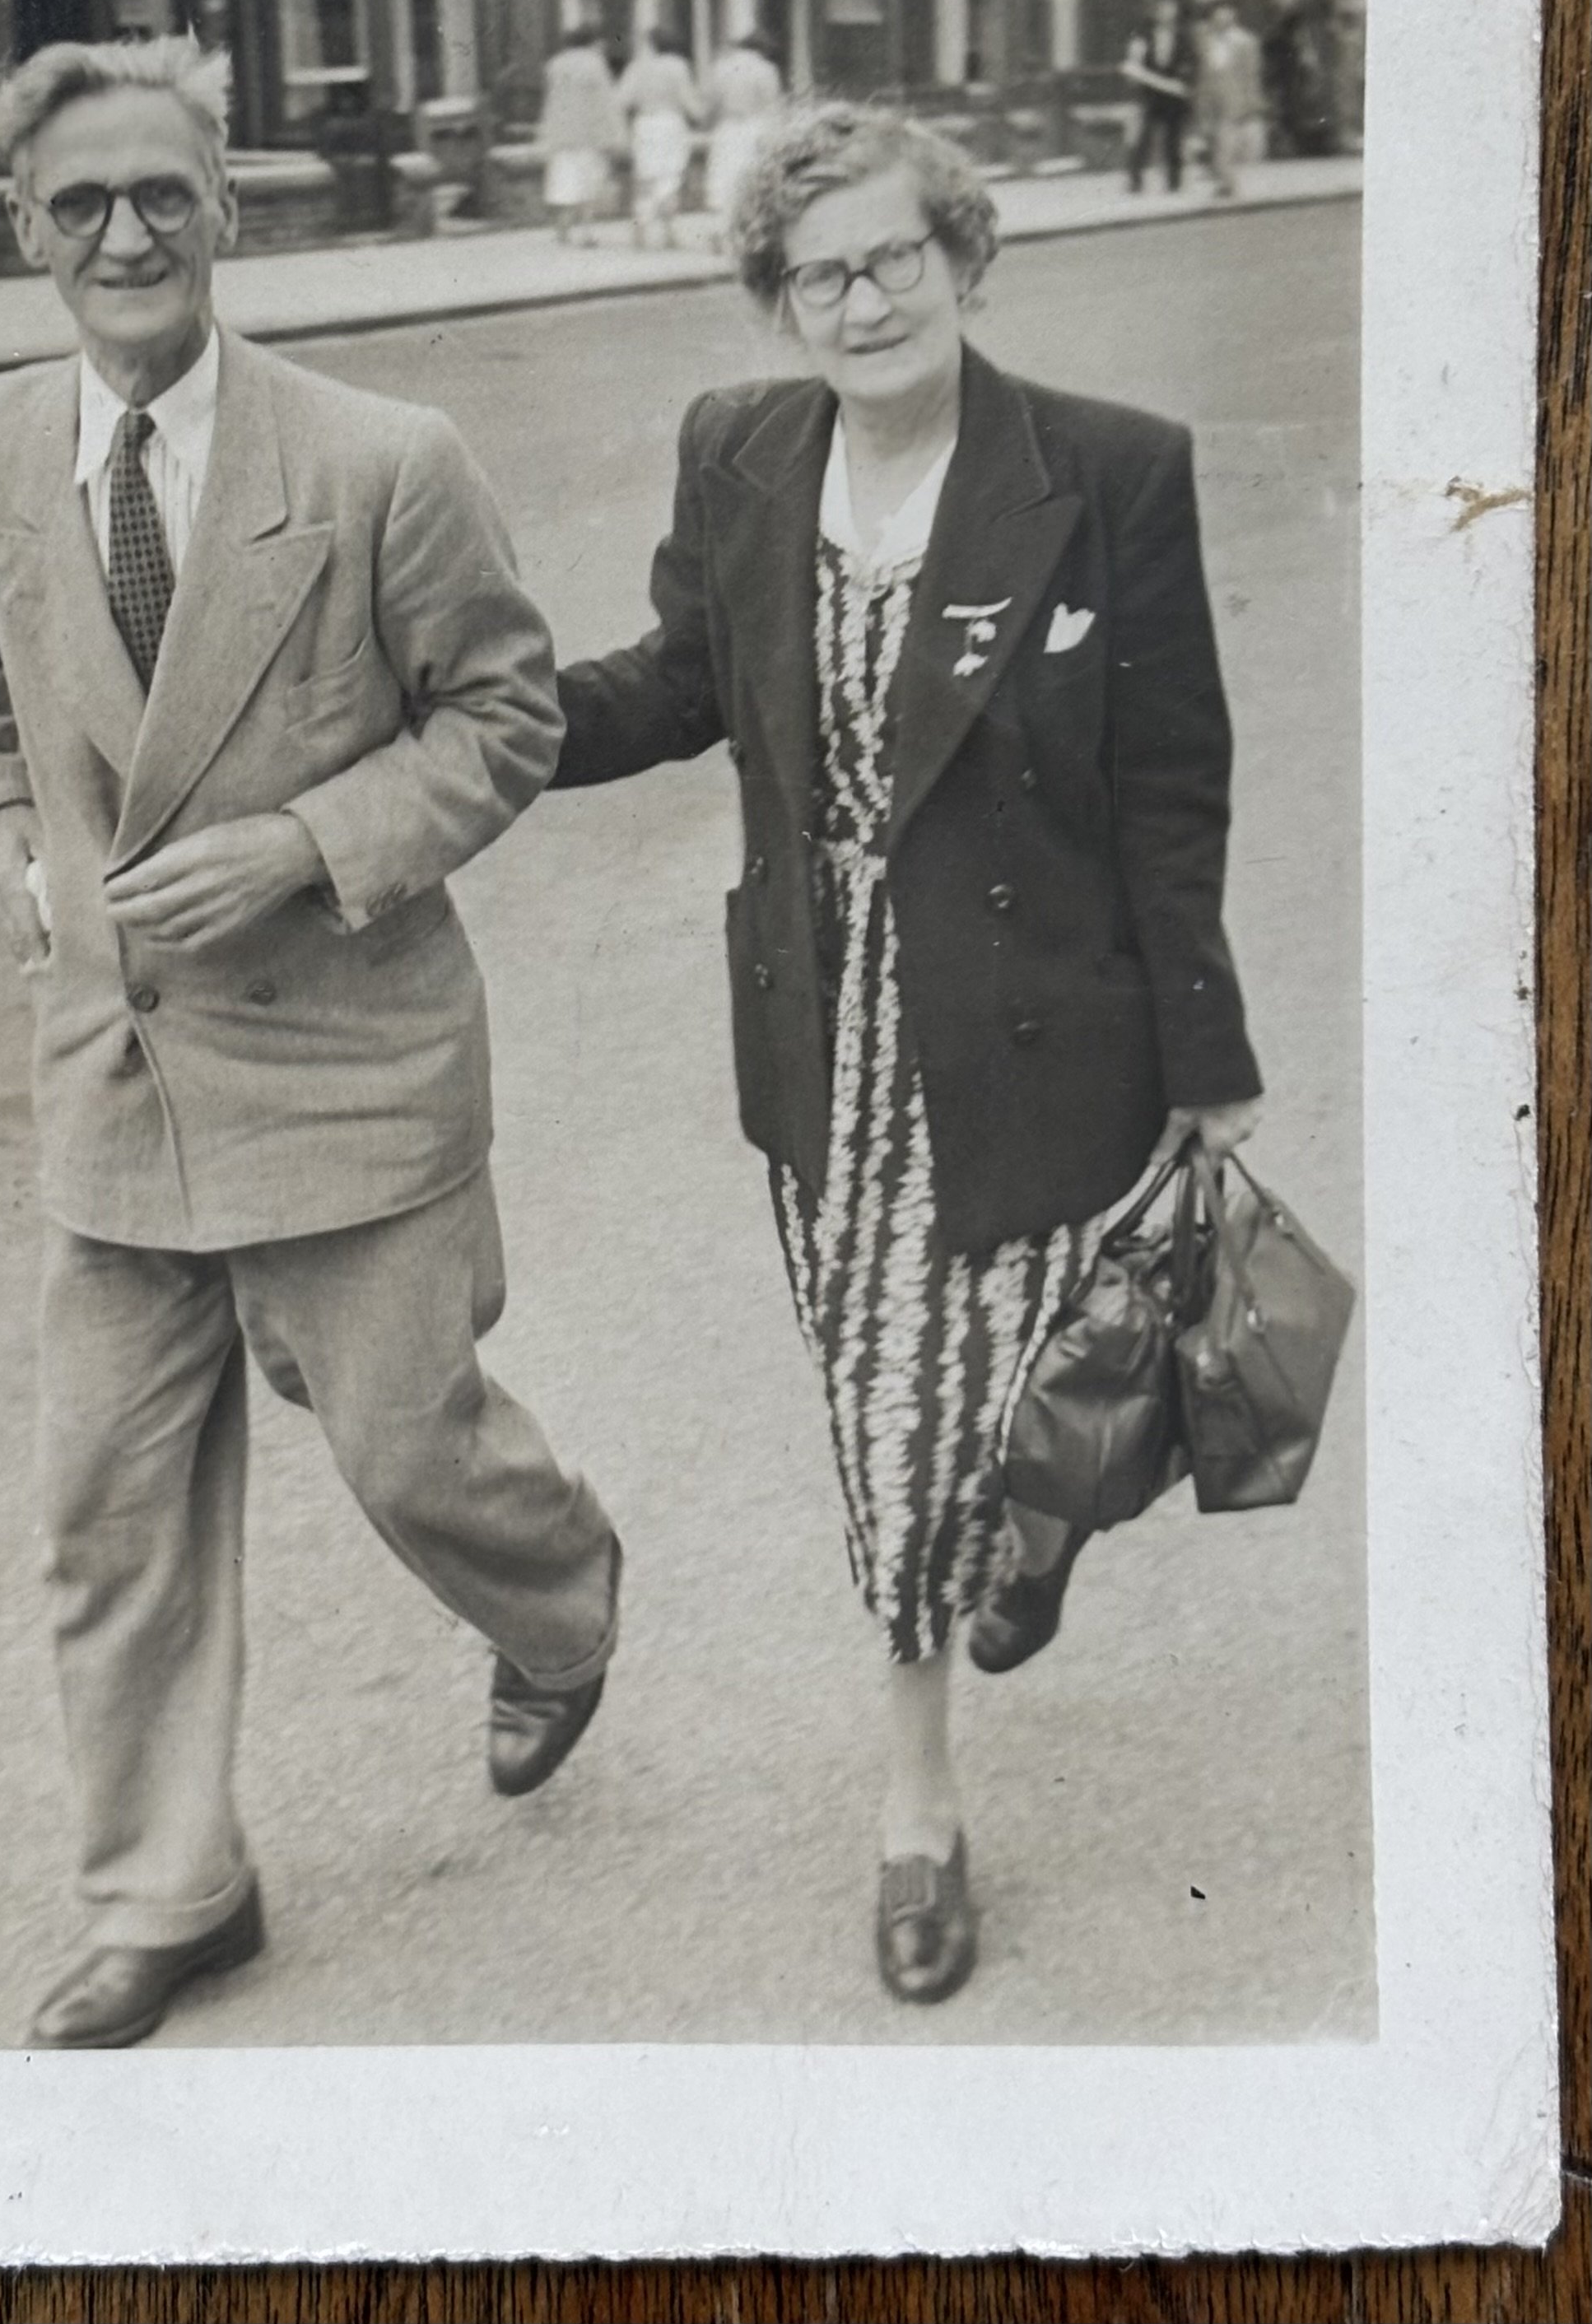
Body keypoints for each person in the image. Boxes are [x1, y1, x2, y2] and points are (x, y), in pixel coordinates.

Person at [0, 35, 621, 2049]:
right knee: (104, 1510)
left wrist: (308, 843)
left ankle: (560, 1602)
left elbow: (508, 716)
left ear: (226, 205)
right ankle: (173, 1892)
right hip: (114, 1074)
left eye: (160, 194)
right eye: (77, 206)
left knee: (404, 1447)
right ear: (23, 235)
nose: (123, 234)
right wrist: (2, 829)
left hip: (350, 1062)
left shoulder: (382, 457)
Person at [551, 98, 1262, 2005]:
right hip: (826, 1036)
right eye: (817, 274)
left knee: (962, 1408)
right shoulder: (742, 451)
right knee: (893, 1421)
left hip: (1033, 1038)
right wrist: (482, 722)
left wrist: (1205, 1048)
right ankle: (922, 1795)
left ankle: (963, 1667)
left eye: (892, 258)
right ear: (774, 302)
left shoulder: (1105, 471)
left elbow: (1167, 778)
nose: (861, 301)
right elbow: (677, 685)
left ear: (961, 255)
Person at [536, 21, 625, 245]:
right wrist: (615, 134)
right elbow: (605, 101)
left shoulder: (555, 65)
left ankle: (562, 230)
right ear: (592, 42)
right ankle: (587, 232)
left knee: (563, 183)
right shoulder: (595, 64)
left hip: (560, 133)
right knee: (588, 185)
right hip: (588, 134)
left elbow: (551, 100)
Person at [618, 26, 704, 248]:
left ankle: (641, 225)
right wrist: (699, 115)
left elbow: (622, 100)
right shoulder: (678, 66)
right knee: (670, 176)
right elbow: (688, 101)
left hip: (645, 123)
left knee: (646, 176)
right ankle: (668, 232)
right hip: (670, 123)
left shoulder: (637, 67)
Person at [702, 31, 786, 244]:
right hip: (754, 127)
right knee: (749, 180)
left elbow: (711, 104)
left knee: (722, 180)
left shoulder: (721, 68)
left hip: (727, 128)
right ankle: (744, 233)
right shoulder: (766, 70)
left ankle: (718, 229)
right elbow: (772, 106)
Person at [1122, 0, 1199, 194]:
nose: (1166, 13)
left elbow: (1191, 62)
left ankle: (1174, 183)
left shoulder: (1183, 36)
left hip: (1173, 97)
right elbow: (1134, 62)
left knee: (1173, 140)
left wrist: (1184, 79)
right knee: (1142, 139)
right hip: (1150, 96)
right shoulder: (1143, 35)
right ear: (1156, 12)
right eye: (1162, 9)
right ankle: (1135, 181)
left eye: (1170, 9)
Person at [1197, 1, 1264, 200]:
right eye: (1217, 18)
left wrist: (1251, 101)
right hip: (1211, 99)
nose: (1221, 21)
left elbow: (1251, 74)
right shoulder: (1208, 41)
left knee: (1226, 142)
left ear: (1233, 17)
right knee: (1214, 140)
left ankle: (1228, 184)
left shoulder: (1245, 41)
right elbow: (1205, 71)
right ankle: (1224, 180)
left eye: (1226, 16)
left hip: (1234, 99)